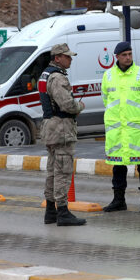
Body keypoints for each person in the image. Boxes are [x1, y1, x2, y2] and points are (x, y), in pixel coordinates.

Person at [101, 41, 140, 213]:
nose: (128, 58)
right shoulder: (108, 76)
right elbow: (106, 99)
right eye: (124, 55)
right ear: (117, 57)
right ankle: (119, 200)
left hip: (136, 130)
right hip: (117, 130)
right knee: (118, 168)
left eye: (130, 54)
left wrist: (135, 115)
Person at [39, 43, 86, 226]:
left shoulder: (45, 75)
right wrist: (79, 107)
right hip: (61, 129)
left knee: (52, 170)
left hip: (51, 127)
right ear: (57, 58)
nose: (70, 59)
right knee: (63, 171)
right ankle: (63, 212)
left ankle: (51, 211)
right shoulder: (58, 78)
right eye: (67, 56)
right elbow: (67, 104)